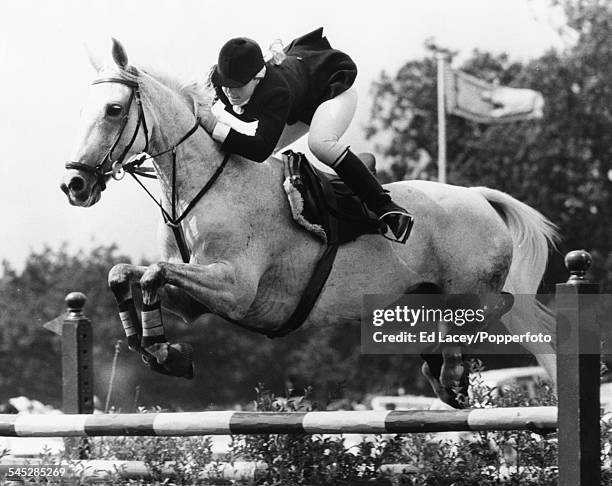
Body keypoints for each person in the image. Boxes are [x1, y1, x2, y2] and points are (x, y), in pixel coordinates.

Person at [199, 27, 414, 243]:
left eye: (237, 86)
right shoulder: (222, 81)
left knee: (320, 144)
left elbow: (259, 150)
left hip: (332, 90)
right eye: (226, 84)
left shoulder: (276, 90)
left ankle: (386, 207)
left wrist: (215, 128)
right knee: (266, 154)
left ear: (256, 78)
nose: (229, 92)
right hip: (299, 100)